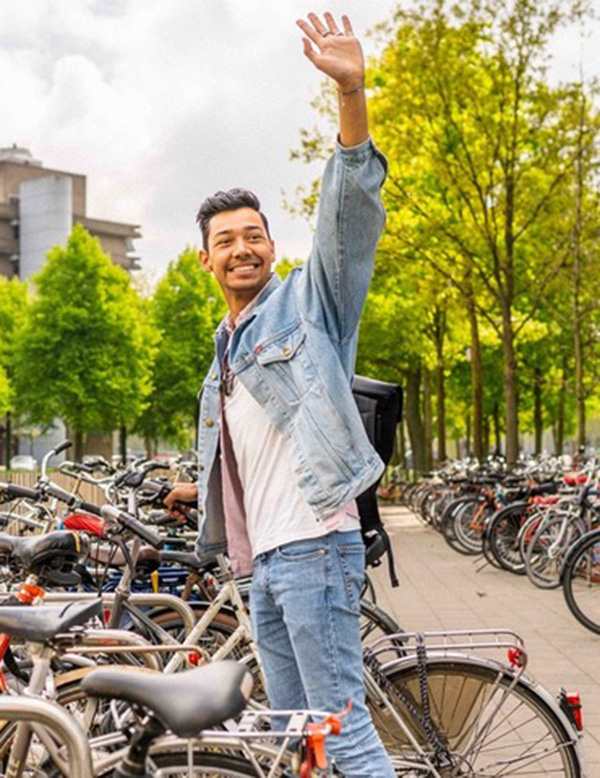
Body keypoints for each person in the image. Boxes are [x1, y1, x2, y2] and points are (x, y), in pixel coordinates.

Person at [165, 12, 394, 777]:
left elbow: (350, 217)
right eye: (226, 240)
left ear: (272, 245)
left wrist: (352, 95)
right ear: (205, 260)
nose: (243, 247)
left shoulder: (310, 306)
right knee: (297, 739)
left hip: (315, 548)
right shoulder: (222, 353)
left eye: (254, 234)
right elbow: (240, 454)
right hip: (260, 562)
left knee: (340, 728)